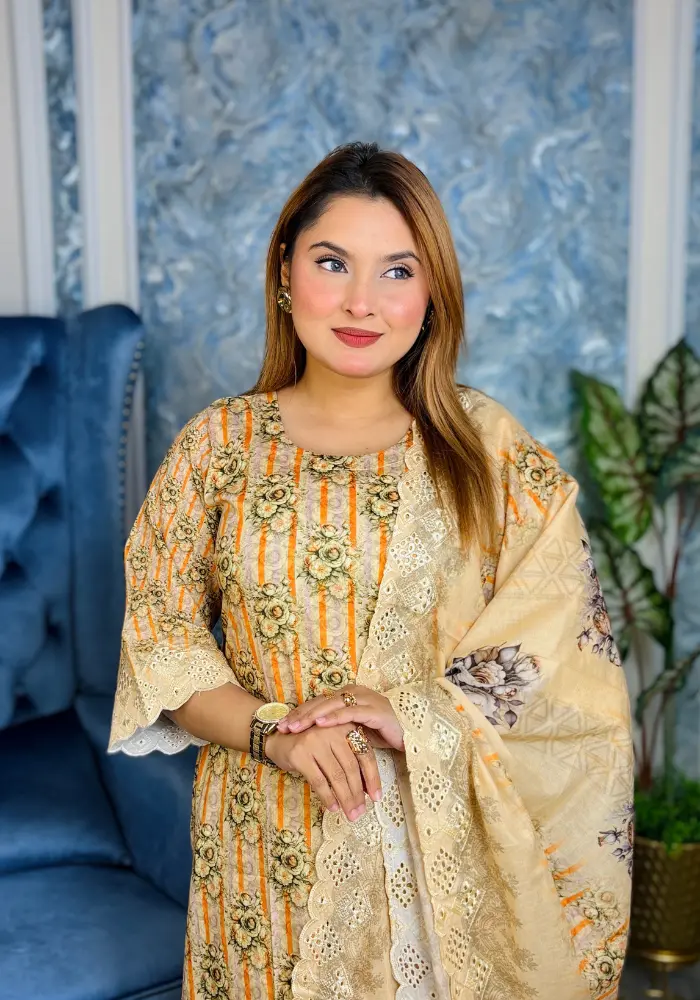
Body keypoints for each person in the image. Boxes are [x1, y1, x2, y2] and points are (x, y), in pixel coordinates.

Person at [108, 141, 633, 1000]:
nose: (362, 301)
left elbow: (565, 652)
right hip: (262, 847)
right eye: (332, 262)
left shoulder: (486, 452)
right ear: (286, 271)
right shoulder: (219, 446)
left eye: (397, 271)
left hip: (430, 856)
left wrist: (414, 712)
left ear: (431, 295)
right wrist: (276, 733)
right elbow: (160, 640)